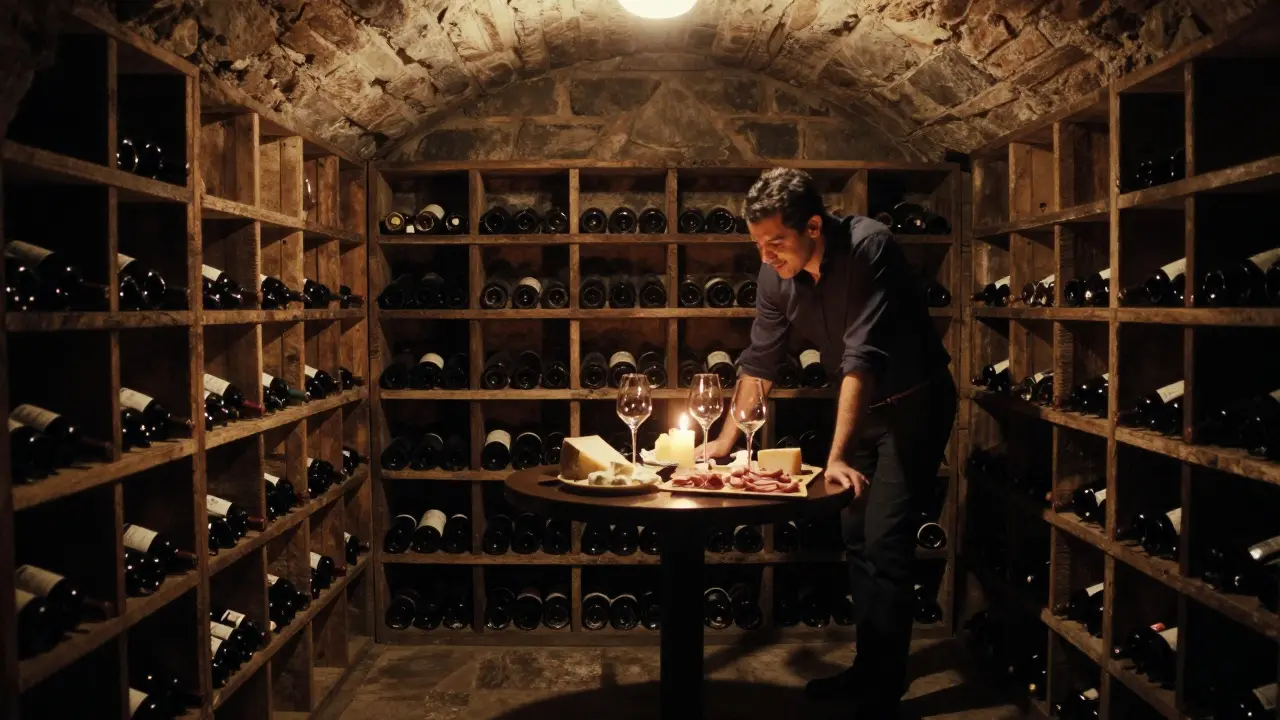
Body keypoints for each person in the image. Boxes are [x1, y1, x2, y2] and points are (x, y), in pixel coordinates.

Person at [697, 167, 956, 718]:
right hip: (860, 410)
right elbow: (760, 362)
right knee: (856, 536)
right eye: (757, 244)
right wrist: (721, 442)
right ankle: (870, 668)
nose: (765, 256)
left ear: (813, 225)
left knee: (886, 540)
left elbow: (862, 357)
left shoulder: (870, 249)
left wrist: (835, 456)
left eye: (775, 242)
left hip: (914, 404)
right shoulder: (775, 277)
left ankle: (883, 689)